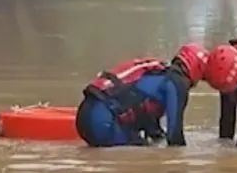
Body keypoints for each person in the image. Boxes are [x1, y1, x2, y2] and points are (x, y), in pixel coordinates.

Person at [75, 43, 208, 147]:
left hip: (84, 115)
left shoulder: (157, 72)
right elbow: (175, 138)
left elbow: (148, 121)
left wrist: (157, 136)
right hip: (103, 122)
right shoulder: (177, 83)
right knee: (144, 154)